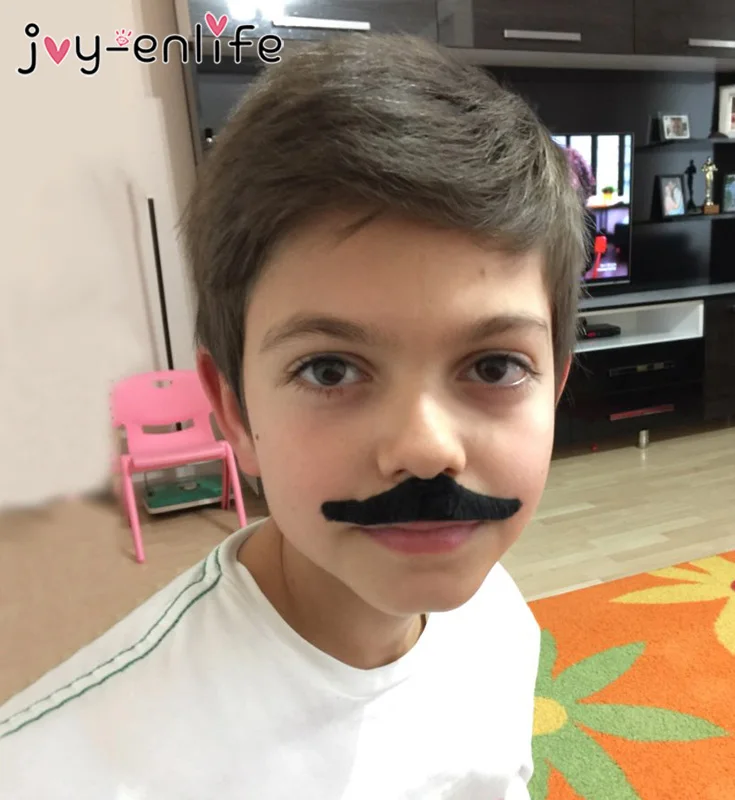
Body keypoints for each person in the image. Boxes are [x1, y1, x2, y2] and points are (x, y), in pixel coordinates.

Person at [0, 33, 585, 799]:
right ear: (234, 411)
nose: (425, 448)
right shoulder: (61, 771)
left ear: (554, 390)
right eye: (330, 370)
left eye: (494, 367)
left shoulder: (501, 624)